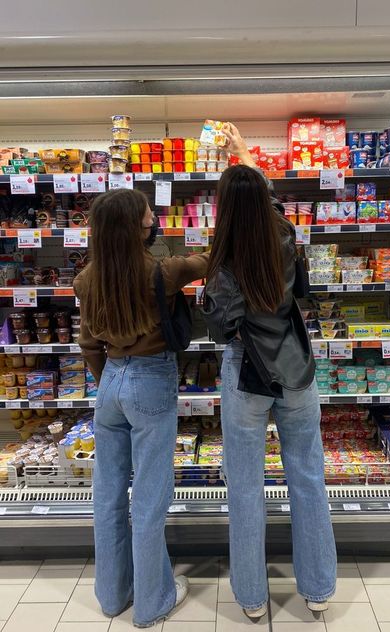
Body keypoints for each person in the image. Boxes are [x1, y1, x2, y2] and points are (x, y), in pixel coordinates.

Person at [202, 124, 337, 619]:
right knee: (308, 477)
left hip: (248, 376)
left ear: (224, 211)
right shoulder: (284, 233)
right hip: (296, 367)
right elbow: (269, 202)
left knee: (245, 487)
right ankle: (319, 588)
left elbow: (220, 330)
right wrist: (245, 159)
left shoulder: (227, 258)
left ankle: (254, 598)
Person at [74, 188, 209, 629]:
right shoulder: (163, 271)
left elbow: (88, 342)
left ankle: (113, 597)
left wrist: (109, 382)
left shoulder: (85, 278)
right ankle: (153, 603)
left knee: (107, 497)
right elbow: (211, 259)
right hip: (150, 381)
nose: (154, 219)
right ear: (137, 225)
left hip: (109, 382)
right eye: (149, 215)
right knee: (149, 500)